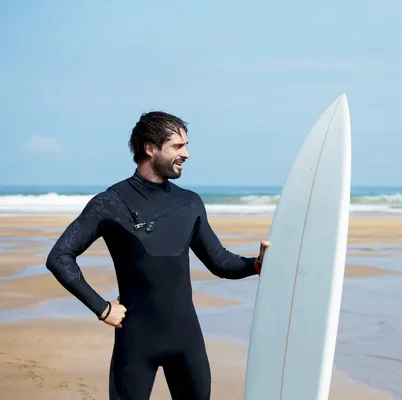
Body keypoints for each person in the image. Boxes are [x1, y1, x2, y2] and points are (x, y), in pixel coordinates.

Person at [46, 111, 269, 400]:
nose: (187, 154)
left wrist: (256, 264)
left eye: (186, 145)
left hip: (186, 340)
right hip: (136, 342)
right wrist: (102, 308)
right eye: (178, 146)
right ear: (150, 148)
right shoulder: (110, 203)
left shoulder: (189, 203)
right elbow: (60, 256)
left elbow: (219, 261)